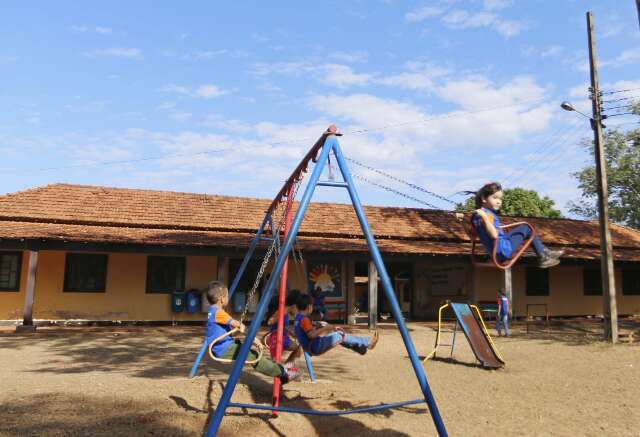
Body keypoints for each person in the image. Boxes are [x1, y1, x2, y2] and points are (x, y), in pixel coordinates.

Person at [205, 281, 299, 383]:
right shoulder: (219, 313)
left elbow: (228, 331)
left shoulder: (212, 311)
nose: (228, 297)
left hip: (224, 346)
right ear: (222, 299)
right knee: (254, 357)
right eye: (227, 295)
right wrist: (254, 340)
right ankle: (283, 372)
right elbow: (239, 325)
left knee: (250, 351)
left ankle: (282, 374)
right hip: (224, 348)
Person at [471, 182, 564, 268]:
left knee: (522, 229)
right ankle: (543, 254)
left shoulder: (476, 216)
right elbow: (494, 235)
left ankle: (545, 253)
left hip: (496, 250)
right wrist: (485, 218)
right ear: (483, 198)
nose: (499, 201)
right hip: (503, 250)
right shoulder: (486, 215)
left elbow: (472, 235)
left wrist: (462, 222)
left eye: (500, 199)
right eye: (495, 198)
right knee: (527, 228)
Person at [294, 293, 378, 356]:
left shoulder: (298, 318)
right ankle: (368, 343)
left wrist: (318, 326)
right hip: (315, 346)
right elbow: (311, 335)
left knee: (338, 337)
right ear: (309, 307)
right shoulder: (304, 319)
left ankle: (360, 348)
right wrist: (326, 328)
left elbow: (306, 331)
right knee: (339, 334)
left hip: (310, 347)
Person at [265, 289, 302, 364]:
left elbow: (283, 327)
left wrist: (293, 335)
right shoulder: (282, 311)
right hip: (276, 338)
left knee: (298, 349)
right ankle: (285, 369)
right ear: (294, 305)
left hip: (283, 338)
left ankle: (286, 368)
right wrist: (279, 315)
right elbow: (270, 322)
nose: (298, 311)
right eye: (298, 308)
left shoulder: (286, 313)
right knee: (276, 363)